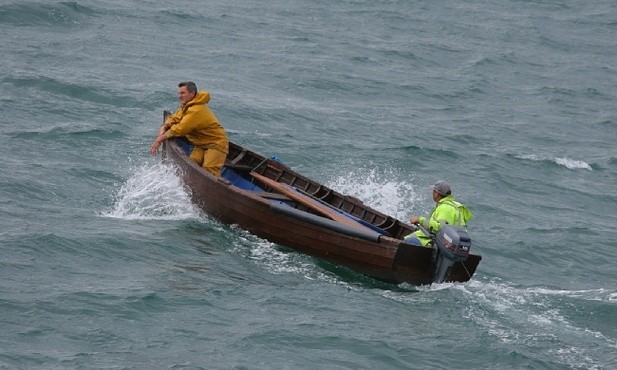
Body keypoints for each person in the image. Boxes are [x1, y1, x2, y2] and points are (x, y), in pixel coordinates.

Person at [150, 81, 229, 177]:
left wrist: (159, 139)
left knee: (209, 170)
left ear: (192, 93)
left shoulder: (196, 110)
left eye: (183, 93)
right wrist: (165, 125)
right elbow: (176, 117)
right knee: (192, 162)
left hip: (216, 143)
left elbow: (180, 129)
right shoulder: (188, 105)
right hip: (201, 144)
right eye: (179, 93)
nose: (179, 96)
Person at [404, 180, 473, 247]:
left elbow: (440, 228)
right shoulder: (455, 206)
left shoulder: (445, 208)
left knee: (407, 242)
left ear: (437, 194)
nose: (432, 193)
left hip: (437, 245)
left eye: (433, 191)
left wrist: (420, 220)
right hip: (447, 244)